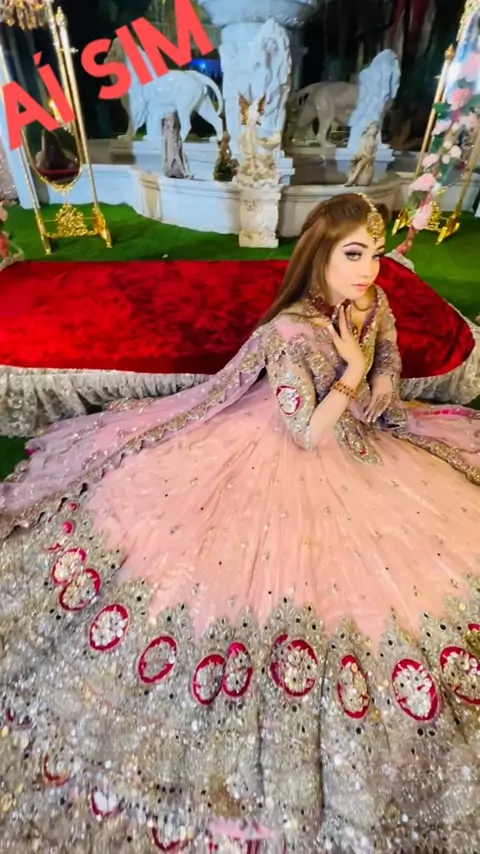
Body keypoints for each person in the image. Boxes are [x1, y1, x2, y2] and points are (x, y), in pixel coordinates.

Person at [1, 194, 479, 853]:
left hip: (360, 440)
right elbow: (305, 433)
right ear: (320, 256)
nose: (370, 268)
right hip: (288, 442)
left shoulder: (372, 302)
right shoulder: (288, 333)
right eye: (353, 254)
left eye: (374, 252)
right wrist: (354, 374)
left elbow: (389, 363)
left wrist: (377, 382)